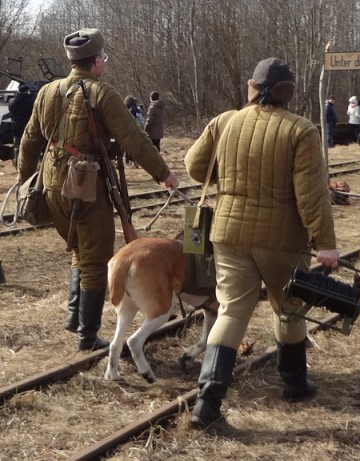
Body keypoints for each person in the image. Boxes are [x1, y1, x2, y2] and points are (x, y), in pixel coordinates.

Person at [185, 57, 339, 429]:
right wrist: (326, 242)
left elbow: (194, 166)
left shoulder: (225, 121)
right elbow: (311, 195)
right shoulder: (301, 131)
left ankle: (207, 404)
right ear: (288, 92)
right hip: (281, 240)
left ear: (252, 87)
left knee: (231, 311)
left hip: (228, 233)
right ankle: (295, 383)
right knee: (288, 308)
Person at [17, 28, 179, 350]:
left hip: (51, 182)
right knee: (96, 258)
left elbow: (29, 140)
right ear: (97, 61)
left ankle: (75, 318)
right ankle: (87, 337)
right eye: (103, 58)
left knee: (79, 249)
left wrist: (24, 180)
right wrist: (164, 174)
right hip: (84, 184)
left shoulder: (48, 91)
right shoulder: (101, 93)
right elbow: (135, 139)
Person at [8, 84, 35, 165]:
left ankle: (16, 162)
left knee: (16, 146)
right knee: (27, 146)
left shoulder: (11, 101)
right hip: (27, 127)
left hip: (15, 126)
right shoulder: (30, 101)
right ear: (27, 91)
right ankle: (26, 163)